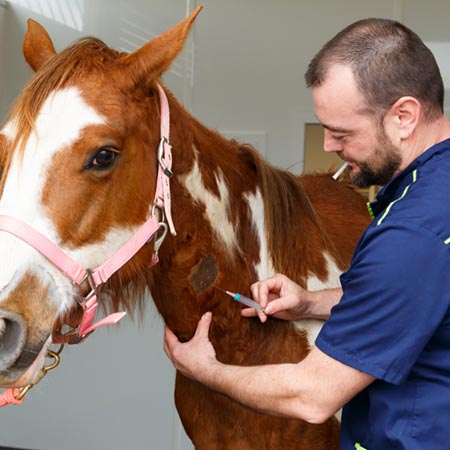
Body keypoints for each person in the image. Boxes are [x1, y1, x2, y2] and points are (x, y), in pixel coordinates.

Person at [164, 18, 450, 449]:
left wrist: (205, 370)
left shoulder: (411, 233)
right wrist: (311, 302)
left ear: (404, 116)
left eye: (342, 133)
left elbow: (314, 395)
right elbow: (419, 297)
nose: (330, 147)